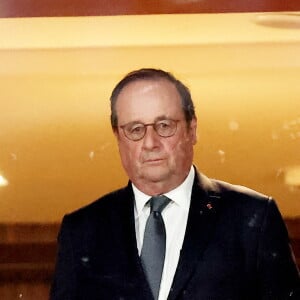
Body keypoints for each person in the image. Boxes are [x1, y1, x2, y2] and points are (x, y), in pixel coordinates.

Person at [50, 68, 300, 300]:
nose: (150, 143)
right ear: (117, 137)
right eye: (135, 129)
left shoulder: (252, 218)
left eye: (164, 126)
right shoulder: (82, 231)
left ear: (192, 129)